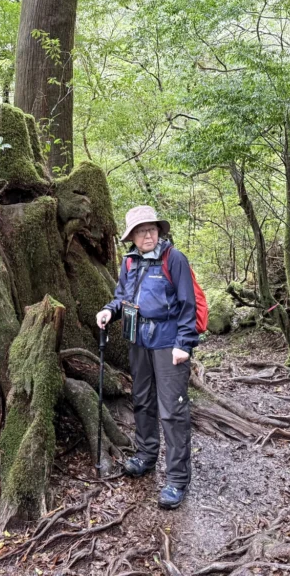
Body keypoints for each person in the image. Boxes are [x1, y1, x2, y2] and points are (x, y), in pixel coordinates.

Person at [96, 205, 198, 509]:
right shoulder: (129, 262)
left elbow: (187, 304)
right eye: (141, 231)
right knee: (142, 400)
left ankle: (177, 479)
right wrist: (108, 311)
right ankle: (146, 455)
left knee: (172, 411)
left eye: (151, 228)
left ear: (159, 230)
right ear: (133, 237)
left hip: (169, 344)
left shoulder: (174, 259)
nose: (148, 234)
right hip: (137, 340)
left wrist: (184, 343)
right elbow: (122, 298)